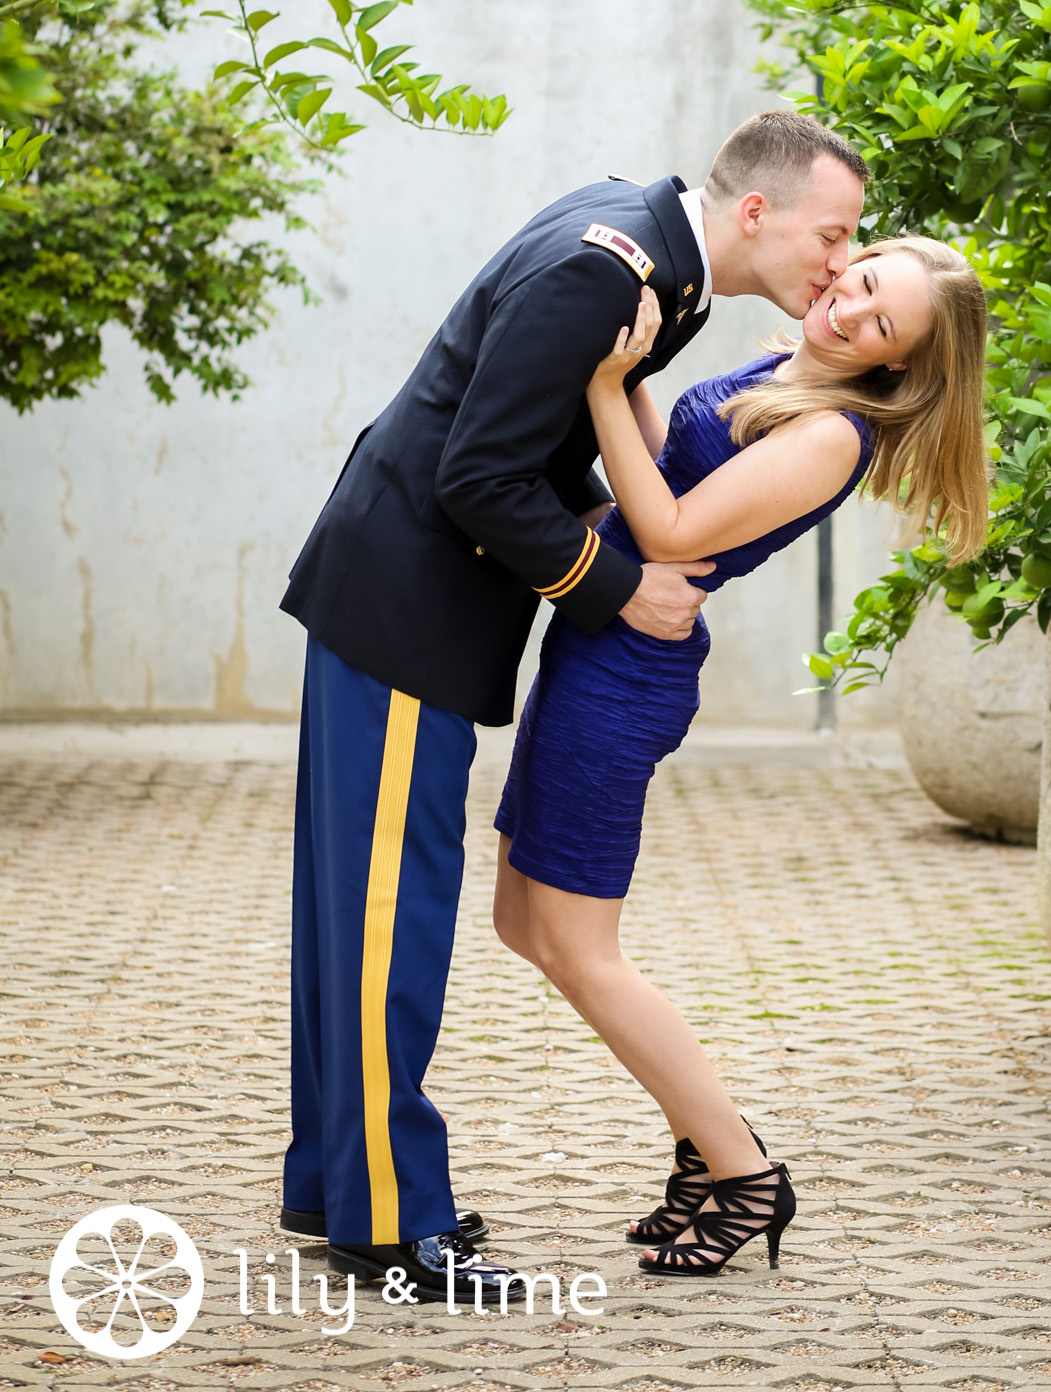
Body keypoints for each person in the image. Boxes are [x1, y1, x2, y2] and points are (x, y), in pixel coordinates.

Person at [275, 111, 870, 1303]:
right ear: (757, 212)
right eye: (836, 232)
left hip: (401, 593)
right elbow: (480, 473)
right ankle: (390, 1227)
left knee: (357, 914)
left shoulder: (653, 257)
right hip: (410, 605)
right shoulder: (615, 272)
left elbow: (537, 439)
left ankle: (335, 1186)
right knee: (387, 920)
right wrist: (614, 584)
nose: (840, 261)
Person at [493, 236, 988, 1275]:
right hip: (597, 638)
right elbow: (667, 450)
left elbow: (665, 524)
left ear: (900, 362)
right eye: (859, 282)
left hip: (627, 670)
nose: (849, 308)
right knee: (522, 923)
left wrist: (596, 379)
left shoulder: (832, 434)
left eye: (880, 321)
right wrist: (624, 381)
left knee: (582, 947)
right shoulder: (785, 368)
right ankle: (701, 1143)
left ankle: (746, 1172)